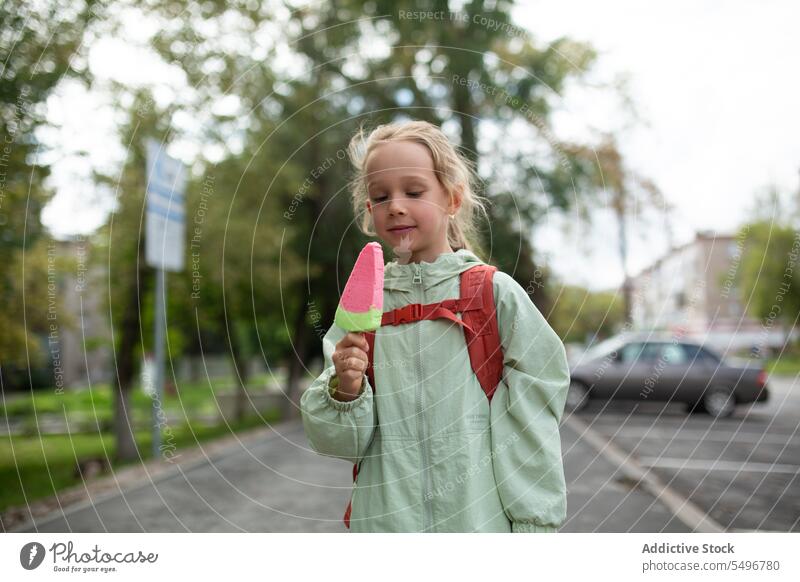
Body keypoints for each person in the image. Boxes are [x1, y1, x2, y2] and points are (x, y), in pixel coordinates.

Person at [300, 119, 570, 532]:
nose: (396, 205)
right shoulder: (363, 307)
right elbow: (339, 443)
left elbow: (533, 423)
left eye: (413, 191)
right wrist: (346, 389)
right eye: (380, 196)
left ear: (453, 198)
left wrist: (534, 526)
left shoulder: (493, 294)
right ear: (369, 211)